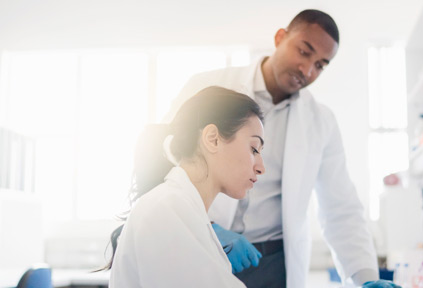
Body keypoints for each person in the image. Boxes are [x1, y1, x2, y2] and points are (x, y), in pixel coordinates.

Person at [162, 9, 399, 288]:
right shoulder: (207, 87)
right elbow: (163, 161)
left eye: (320, 65)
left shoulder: (321, 122)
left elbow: (341, 208)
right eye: (303, 51)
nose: (307, 70)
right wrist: (208, 229)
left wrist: (365, 279)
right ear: (280, 38)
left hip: (274, 266)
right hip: (203, 244)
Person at [107, 86, 265, 288]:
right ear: (212, 139)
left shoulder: (181, 207)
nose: (261, 168)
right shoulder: (167, 208)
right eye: (254, 149)